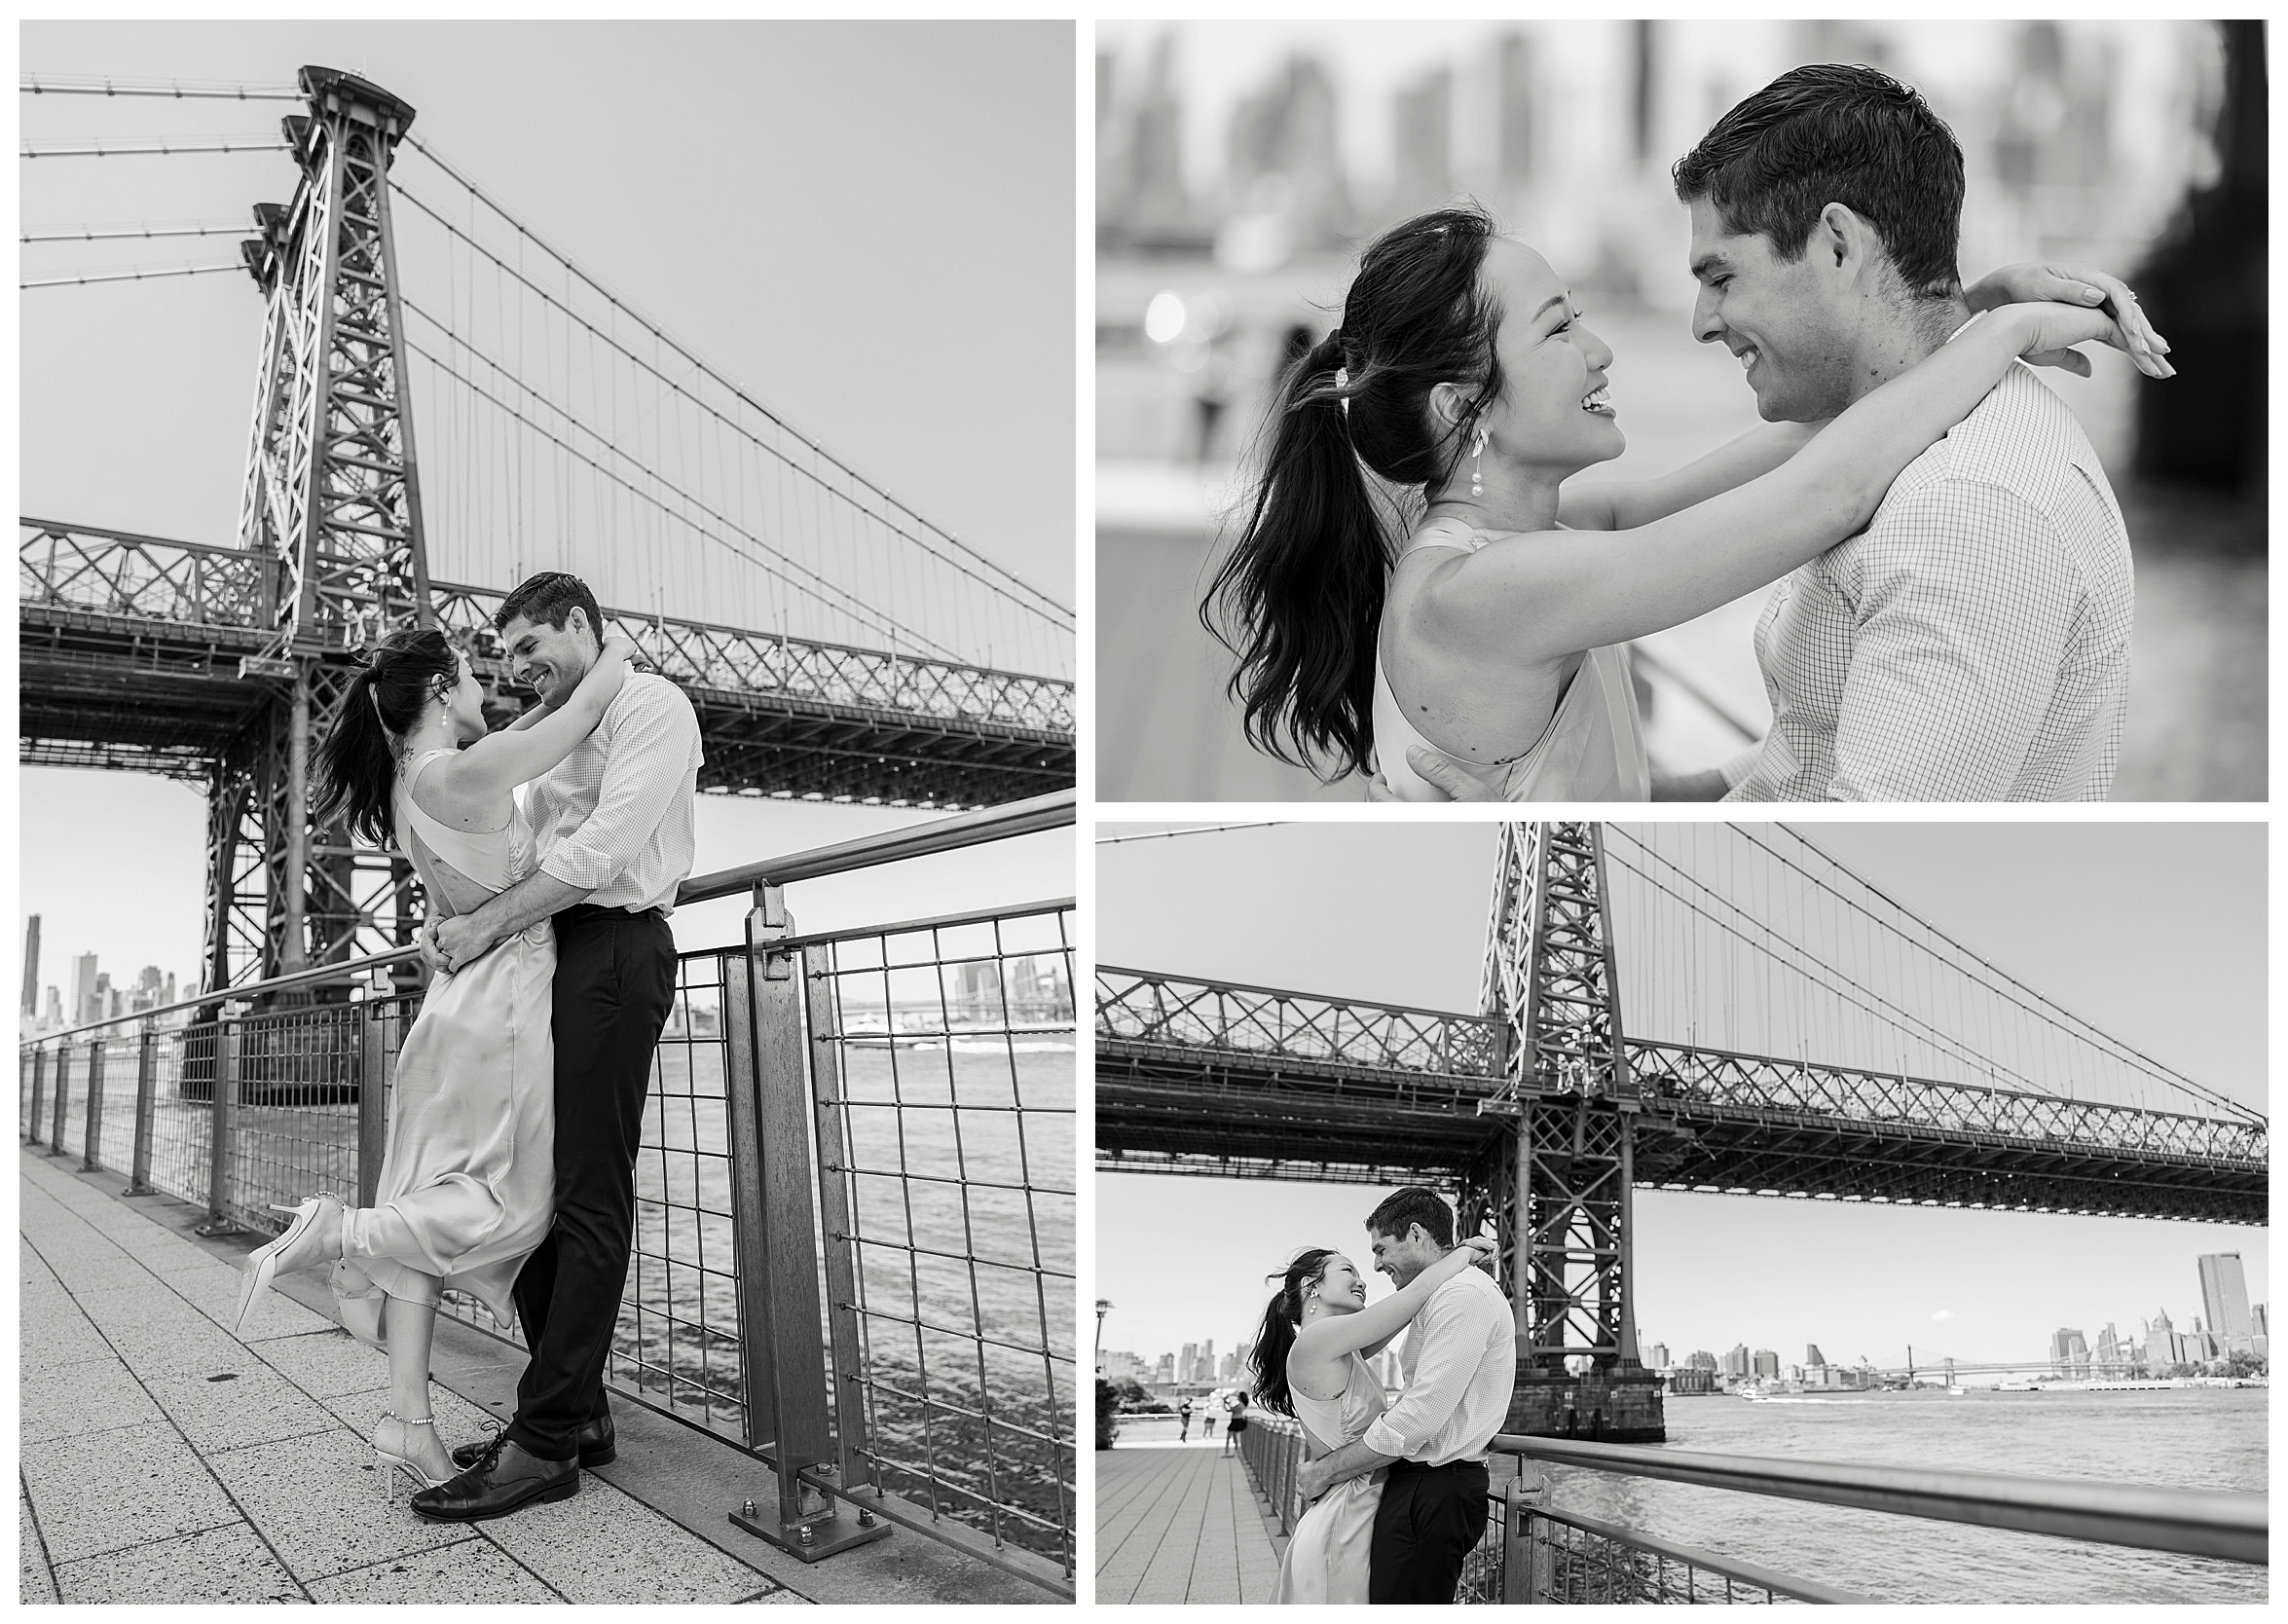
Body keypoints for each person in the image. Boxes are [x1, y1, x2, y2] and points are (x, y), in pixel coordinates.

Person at [1204, 97, 2168, 802]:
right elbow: (1819, 495)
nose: (1600, 347)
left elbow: (1798, 450)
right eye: (1556, 331)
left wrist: (1960, 312)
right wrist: (1994, 338)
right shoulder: (1484, 592)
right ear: (1466, 407)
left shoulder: (1513, 538)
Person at [233, 619, 642, 1495]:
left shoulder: (407, 783)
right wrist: (611, 648)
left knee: (432, 1193)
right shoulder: (470, 768)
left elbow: (464, 876)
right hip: (503, 1006)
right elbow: (585, 708)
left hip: (452, 1011)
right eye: (468, 674)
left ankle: (408, 1423)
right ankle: (341, 1233)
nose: (485, 687)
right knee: (522, 1205)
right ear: (438, 692)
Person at [412, 572, 704, 1523]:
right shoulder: (561, 737)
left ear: (580, 625)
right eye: (503, 660)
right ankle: (577, 1414)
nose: (518, 671)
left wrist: (487, 926)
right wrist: (474, 915)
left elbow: (599, 855)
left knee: (588, 1190)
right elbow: (531, 855)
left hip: (615, 955)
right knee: (534, 1188)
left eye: (533, 648)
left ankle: (542, 1445)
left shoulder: (654, 707)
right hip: (552, 958)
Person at [1250, 1212, 1501, 1605]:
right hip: (1347, 1513)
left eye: (1377, 1254)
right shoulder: (1317, 1341)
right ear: (1310, 1286)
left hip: (1362, 1503)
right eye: (1348, 1269)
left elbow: (1404, 1312)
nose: (1365, 1276)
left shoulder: (1342, 1347)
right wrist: (1461, 1255)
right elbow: (1412, 1299)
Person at [1223, 1389, 1248, 1458]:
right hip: (1238, 1421)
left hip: (1235, 1421)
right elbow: (1232, 1409)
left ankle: (1227, 1452)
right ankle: (1236, 1452)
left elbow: (1230, 1410)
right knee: (1236, 1438)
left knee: (1229, 1437)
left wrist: (1225, 1403)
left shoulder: (1240, 1405)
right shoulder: (1242, 1405)